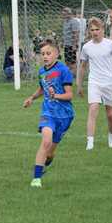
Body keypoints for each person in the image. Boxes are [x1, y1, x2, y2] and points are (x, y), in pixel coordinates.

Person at [23, 39, 74, 188]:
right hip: (48, 113)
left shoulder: (63, 70)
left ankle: (47, 159)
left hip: (65, 116)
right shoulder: (41, 71)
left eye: (48, 53)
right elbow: (42, 89)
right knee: (45, 141)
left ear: (56, 54)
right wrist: (31, 98)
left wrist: (56, 96)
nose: (45, 56)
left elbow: (69, 95)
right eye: (42, 54)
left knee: (50, 152)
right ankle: (36, 178)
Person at [77, 17, 112, 151]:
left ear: (103, 29)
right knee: (93, 109)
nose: (95, 32)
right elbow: (82, 67)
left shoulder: (110, 44)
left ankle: (111, 138)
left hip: (109, 83)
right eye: (92, 30)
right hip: (94, 82)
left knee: (110, 114)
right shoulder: (86, 47)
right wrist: (79, 85)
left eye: (97, 29)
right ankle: (90, 142)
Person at [61, 7, 80, 77]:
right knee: (67, 61)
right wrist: (63, 42)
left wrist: (74, 45)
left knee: (73, 62)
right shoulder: (65, 22)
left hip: (71, 45)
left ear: (69, 13)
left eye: (65, 14)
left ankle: (75, 75)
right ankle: (68, 74)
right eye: (63, 14)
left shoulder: (74, 21)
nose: (63, 15)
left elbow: (76, 33)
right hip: (66, 44)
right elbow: (65, 33)